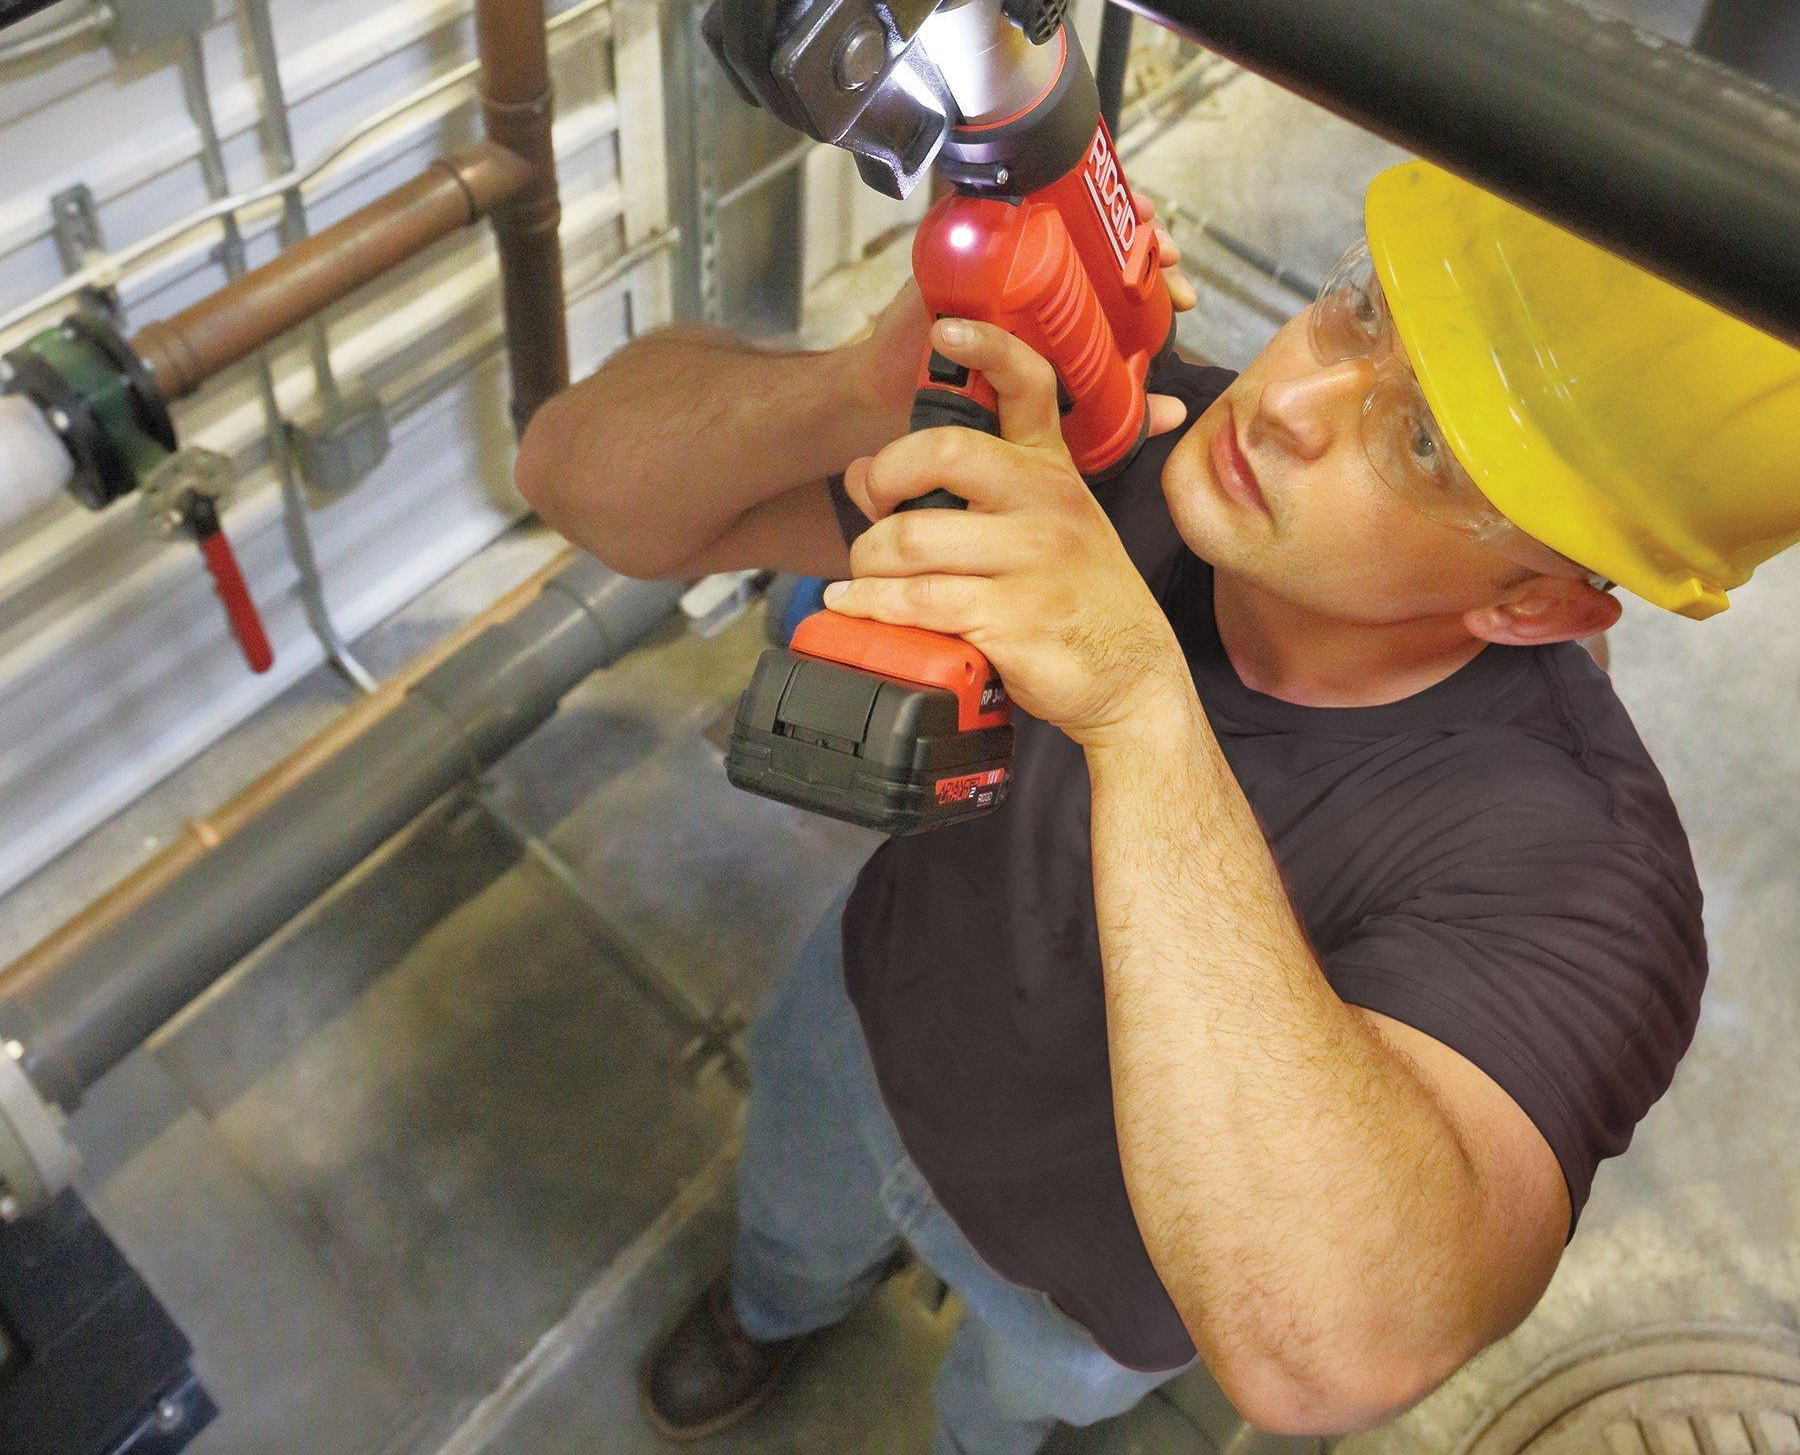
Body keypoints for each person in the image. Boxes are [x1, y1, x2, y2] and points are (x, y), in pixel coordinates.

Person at [515, 157, 1800, 1454]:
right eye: (1361, 312)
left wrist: (1141, 705)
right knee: (788, 1239)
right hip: (864, 1036)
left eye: (1422, 444)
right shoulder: (1115, 439)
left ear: (1532, 603)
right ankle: (770, 1314)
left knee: (1004, 1411)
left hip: (1100, 1280)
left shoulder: (1584, 872)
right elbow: (572, 473)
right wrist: (856, 384)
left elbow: (1331, 1355)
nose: (1287, 396)